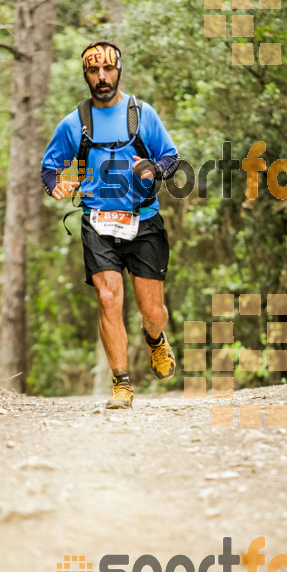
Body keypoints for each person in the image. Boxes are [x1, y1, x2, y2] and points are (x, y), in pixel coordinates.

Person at [41, 40, 180, 409]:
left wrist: (152, 169)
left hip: (144, 220)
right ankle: (121, 383)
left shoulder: (141, 114)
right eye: (93, 70)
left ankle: (155, 340)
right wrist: (56, 186)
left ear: (119, 70)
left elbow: (171, 157)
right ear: (85, 74)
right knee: (107, 297)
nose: (101, 77)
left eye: (107, 69)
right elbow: (48, 168)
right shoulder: (75, 123)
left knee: (152, 312)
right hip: (97, 221)